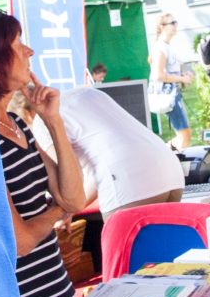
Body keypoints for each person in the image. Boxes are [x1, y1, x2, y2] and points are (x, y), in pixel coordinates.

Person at [0, 11, 84, 297]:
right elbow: (21, 241)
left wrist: (53, 120)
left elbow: (74, 198)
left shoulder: (15, 123)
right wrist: (58, 211)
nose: (29, 51)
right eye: (18, 45)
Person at [58, 85, 184, 215]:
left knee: (120, 235)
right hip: (169, 168)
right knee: (163, 235)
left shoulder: (44, 119)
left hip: (129, 178)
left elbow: (75, 184)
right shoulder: (85, 92)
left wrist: (64, 212)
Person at [148, 13, 194, 150]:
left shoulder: (166, 46)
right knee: (184, 136)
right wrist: (181, 78)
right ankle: (161, 155)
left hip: (172, 94)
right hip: (167, 96)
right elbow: (158, 75)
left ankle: (162, 154)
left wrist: (182, 75)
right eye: (172, 23)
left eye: (175, 22)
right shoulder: (160, 48)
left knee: (185, 135)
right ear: (162, 27)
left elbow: (167, 72)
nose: (175, 26)